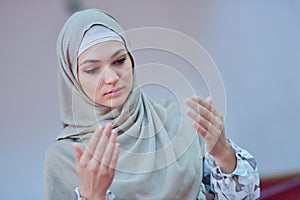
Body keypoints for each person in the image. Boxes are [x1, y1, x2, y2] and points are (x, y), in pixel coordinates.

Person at [44, 8, 260, 200]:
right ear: (72, 79)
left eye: (119, 61)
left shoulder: (178, 119)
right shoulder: (65, 158)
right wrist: (93, 195)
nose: (111, 77)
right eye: (92, 69)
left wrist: (224, 155)